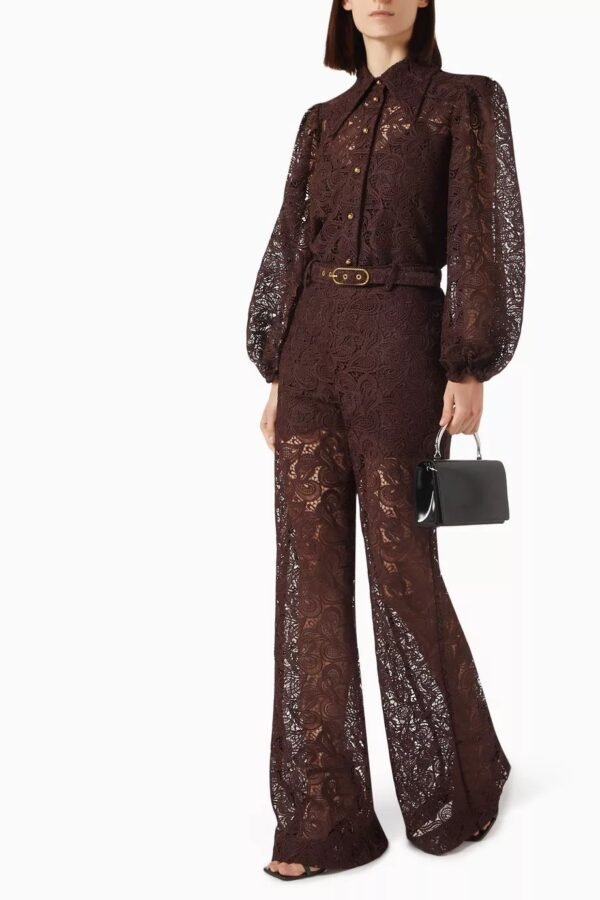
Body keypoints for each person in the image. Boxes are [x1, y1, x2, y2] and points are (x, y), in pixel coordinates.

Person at [246, 0, 525, 881]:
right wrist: (277, 371)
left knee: (404, 567)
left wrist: (469, 363)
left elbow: (480, 235)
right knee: (308, 581)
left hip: (404, 345)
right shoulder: (319, 122)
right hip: (311, 353)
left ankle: (460, 779)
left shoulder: (464, 101)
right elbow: (292, 245)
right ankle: (322, 818)